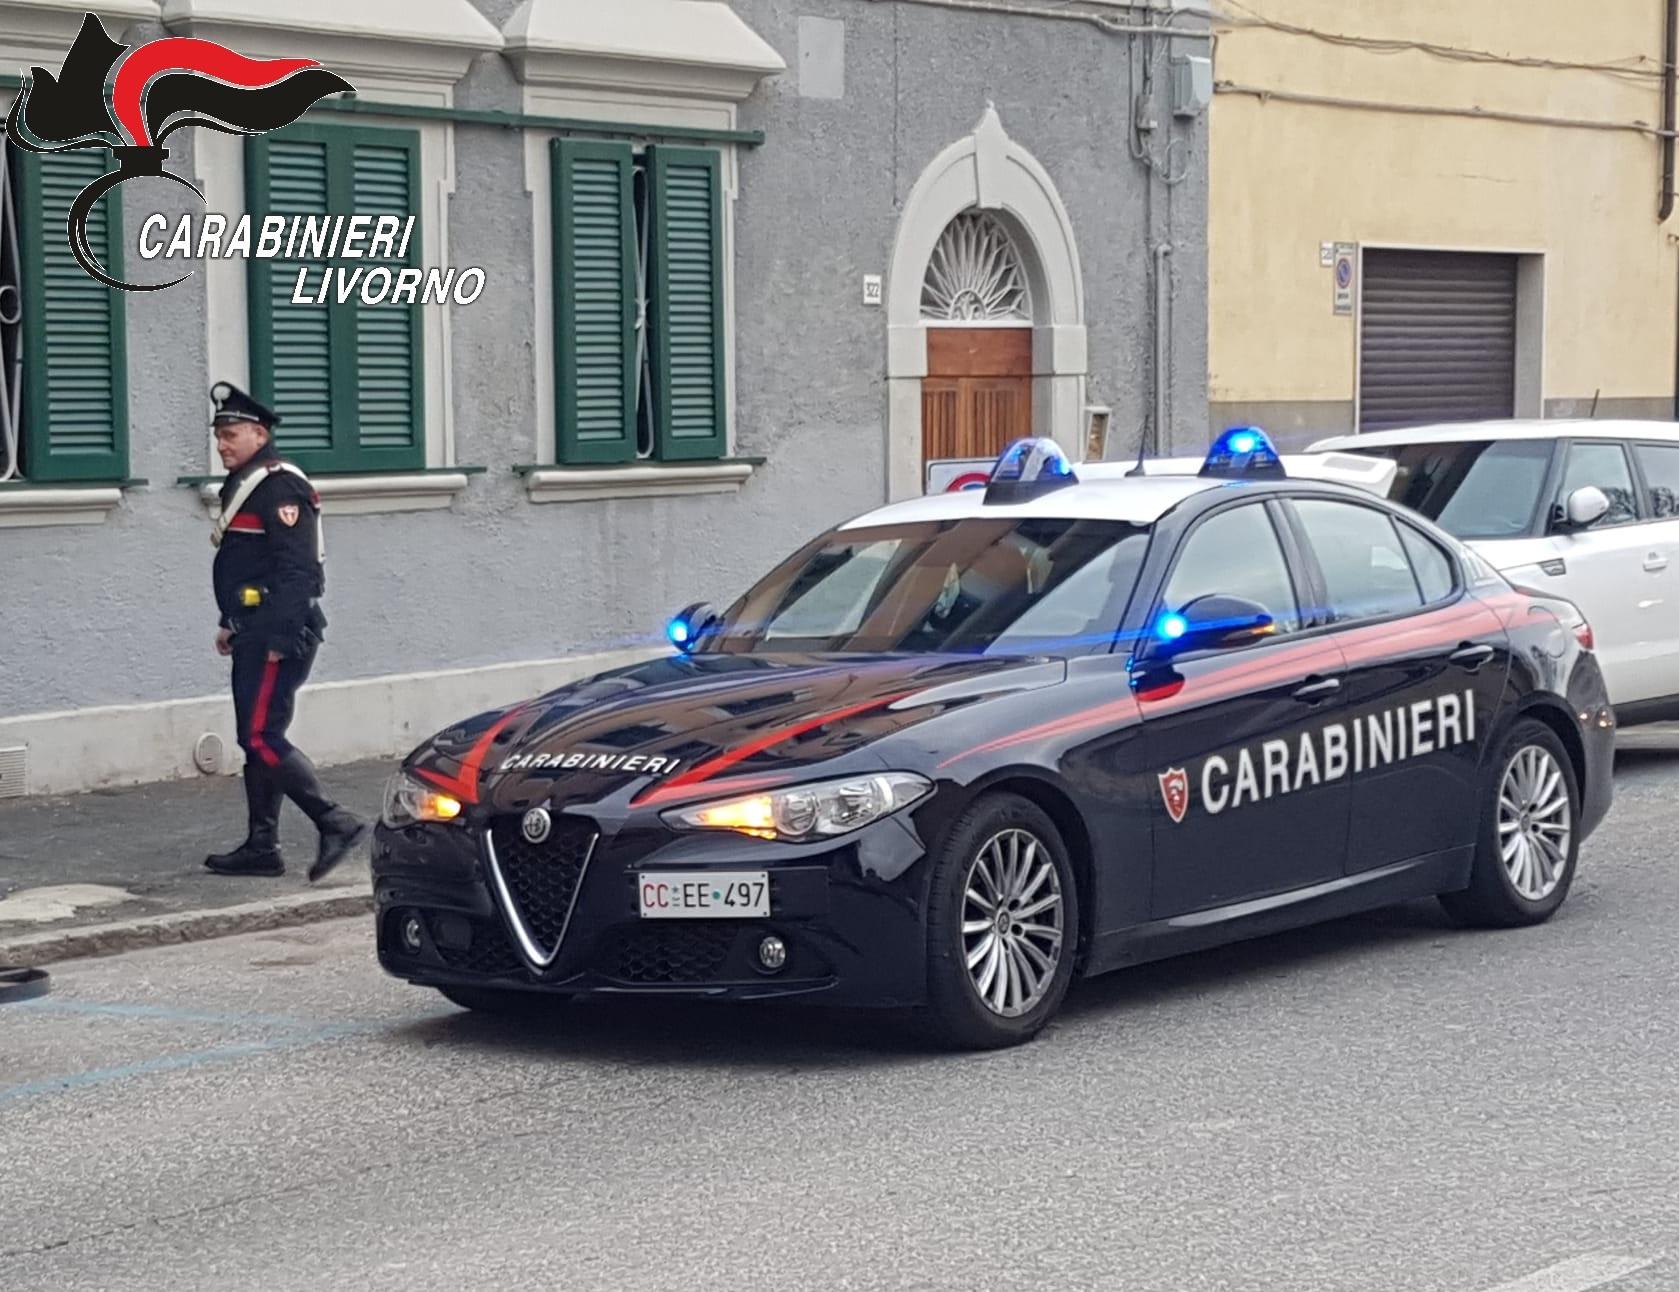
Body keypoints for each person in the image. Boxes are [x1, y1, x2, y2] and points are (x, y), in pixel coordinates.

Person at [203, 381, 369, 882]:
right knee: (257, 737)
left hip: (280, 633)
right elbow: (248, 565)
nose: (222, 444)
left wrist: (277, 638)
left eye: (231, 434)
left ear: (259, 433)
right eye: (219, 436)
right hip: (253, 627)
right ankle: (261, 846)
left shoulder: (280, 485)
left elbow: (300, 572)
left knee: (259, 735)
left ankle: (334, 821)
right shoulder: (246, 481)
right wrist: (231, 622)